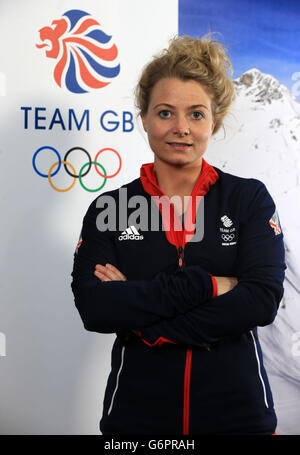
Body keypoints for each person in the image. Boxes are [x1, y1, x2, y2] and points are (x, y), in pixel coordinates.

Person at [71, 34, 286, 435]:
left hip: (239, 414)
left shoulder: (247, 199)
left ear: (215, 121)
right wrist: (206, 285)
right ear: (145, 118)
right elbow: (95, 308)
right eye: (166, 113)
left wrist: (145, 323)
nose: (181, 128)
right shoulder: (109, 208)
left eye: (196, 114)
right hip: (137, 418)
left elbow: (260, 300)